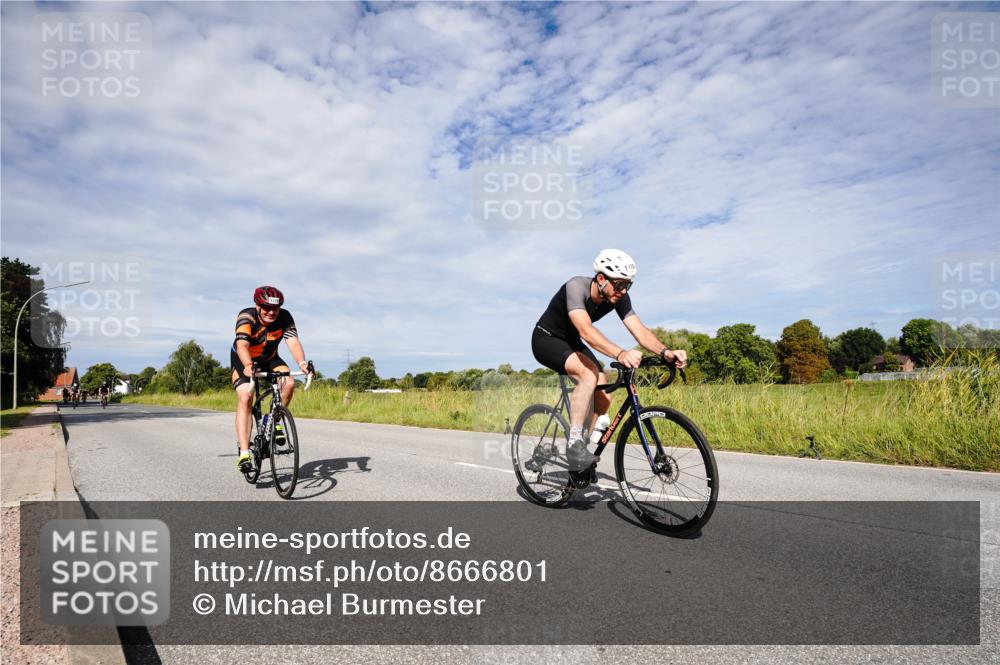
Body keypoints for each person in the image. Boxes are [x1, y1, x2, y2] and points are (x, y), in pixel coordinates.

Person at [531, 249, 687, 471]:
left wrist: (666, 352)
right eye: (619, 284)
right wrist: (621, 353)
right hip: (547, 339)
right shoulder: (576, 287)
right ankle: (574, 444)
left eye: (628, 286)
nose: (623, 291)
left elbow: (639, 330)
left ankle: (581, 450)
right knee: (588, 375)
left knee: (604, 397)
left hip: (572, 341)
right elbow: (585, 330)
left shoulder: (618, 296)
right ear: (601, 278)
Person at [231, 286, 313, 473]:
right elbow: (242, 344)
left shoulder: (285, 317)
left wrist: (301, 363)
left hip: (269, 359)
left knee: (289, 382)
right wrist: (249, 365)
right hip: (244, 360)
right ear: (257, 305)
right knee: (245, 398)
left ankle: (274, 419)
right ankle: (244, 452)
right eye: (266, 307)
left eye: (274, 308)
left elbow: (292, 341)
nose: (270, 312)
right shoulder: (247, 316)